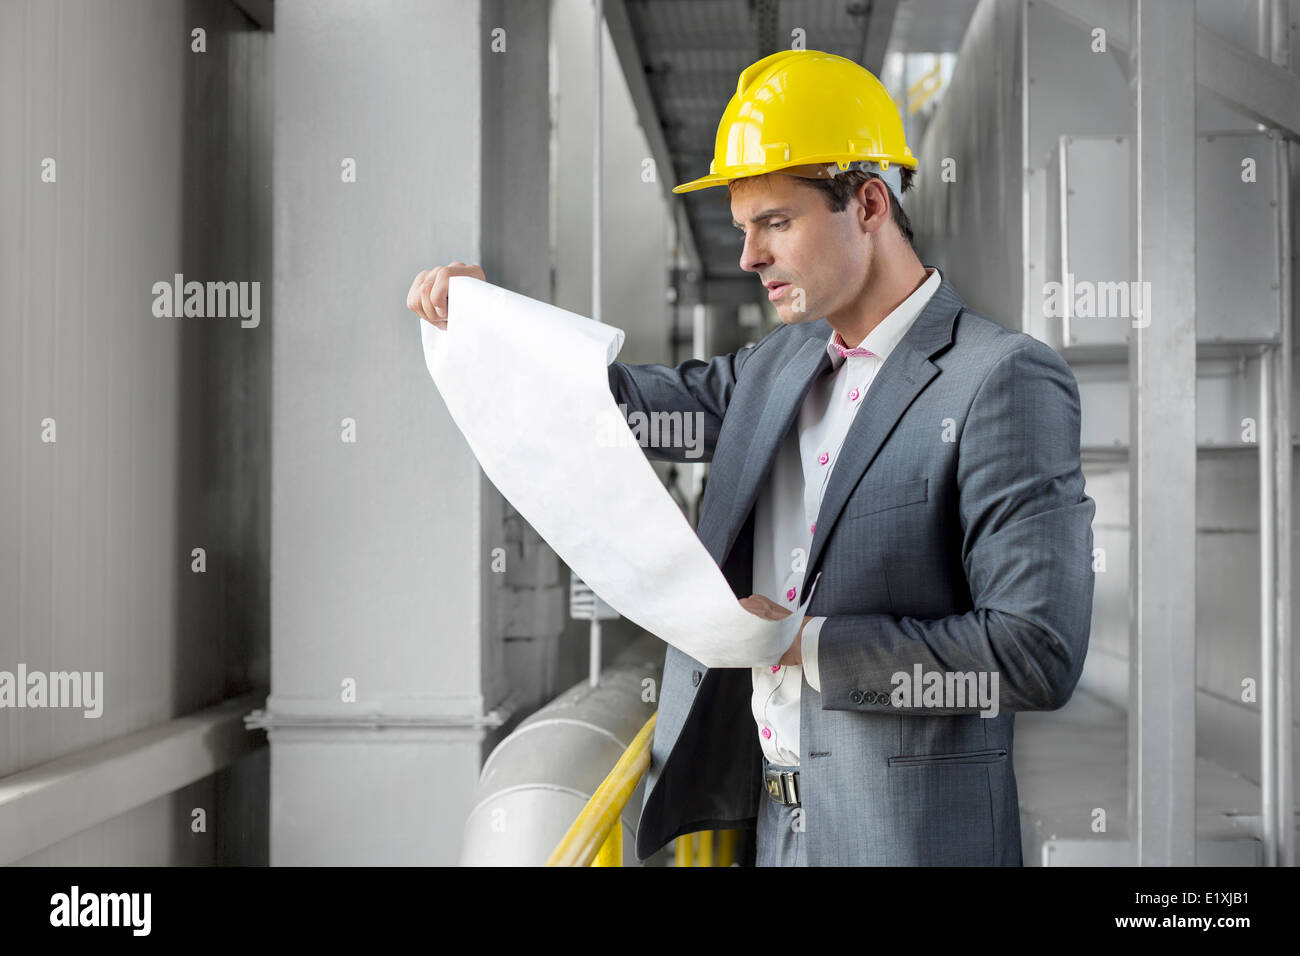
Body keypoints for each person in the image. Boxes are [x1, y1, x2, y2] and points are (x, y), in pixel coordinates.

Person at [407, 50, 1095, 866]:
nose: (749, 257)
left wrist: (803, 642)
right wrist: (491, 330)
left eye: (775, 222)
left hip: (906, 844)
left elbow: (1033, 653)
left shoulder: (997, 378)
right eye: (743, 230)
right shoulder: (774, 367)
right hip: (769, 832)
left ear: (868, 203)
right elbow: (615, 409)